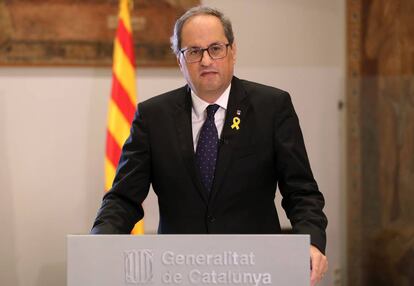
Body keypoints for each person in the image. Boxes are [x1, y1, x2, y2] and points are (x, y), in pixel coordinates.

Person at [91, 6, 328, 285]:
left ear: (232, 51)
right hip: (178, 272)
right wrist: (98, 246)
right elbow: (123, 199)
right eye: (193, 51)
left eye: (215, 48)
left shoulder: (272, 107)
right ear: (179, 60)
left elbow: (302, 192)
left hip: (256, 270)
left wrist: (311, 242)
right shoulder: (153, 116)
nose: (206, 60)